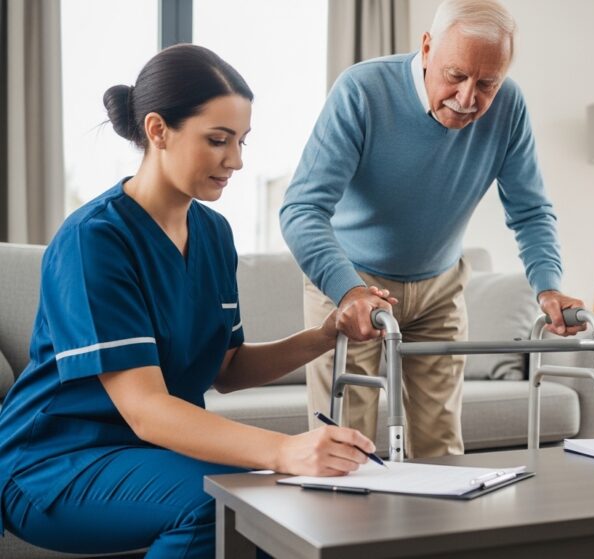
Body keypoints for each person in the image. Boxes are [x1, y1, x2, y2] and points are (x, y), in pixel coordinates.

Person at [0, 44, 383, 557]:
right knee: (220, 505)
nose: (237, 161)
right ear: (158, 130)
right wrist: (285, 450)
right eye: (218, 140)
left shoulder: (213, 233)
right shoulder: (94, 241)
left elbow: (226, 368)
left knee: (286, 509)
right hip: (53, 463)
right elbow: (147, 411)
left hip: (151, 454)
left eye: (242, 141)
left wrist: (325, 333)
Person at [281, 0, 587, 460]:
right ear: (426, 48)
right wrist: (349, 291)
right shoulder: (363, 91)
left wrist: (548, 287)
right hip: (352, 287)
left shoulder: (509, 108)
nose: (467, 99)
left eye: (487, 83)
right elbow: (301, 209)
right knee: (345, 450)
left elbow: (530, 211)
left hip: (439, 290)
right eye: (455, 75)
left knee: (441, 450)